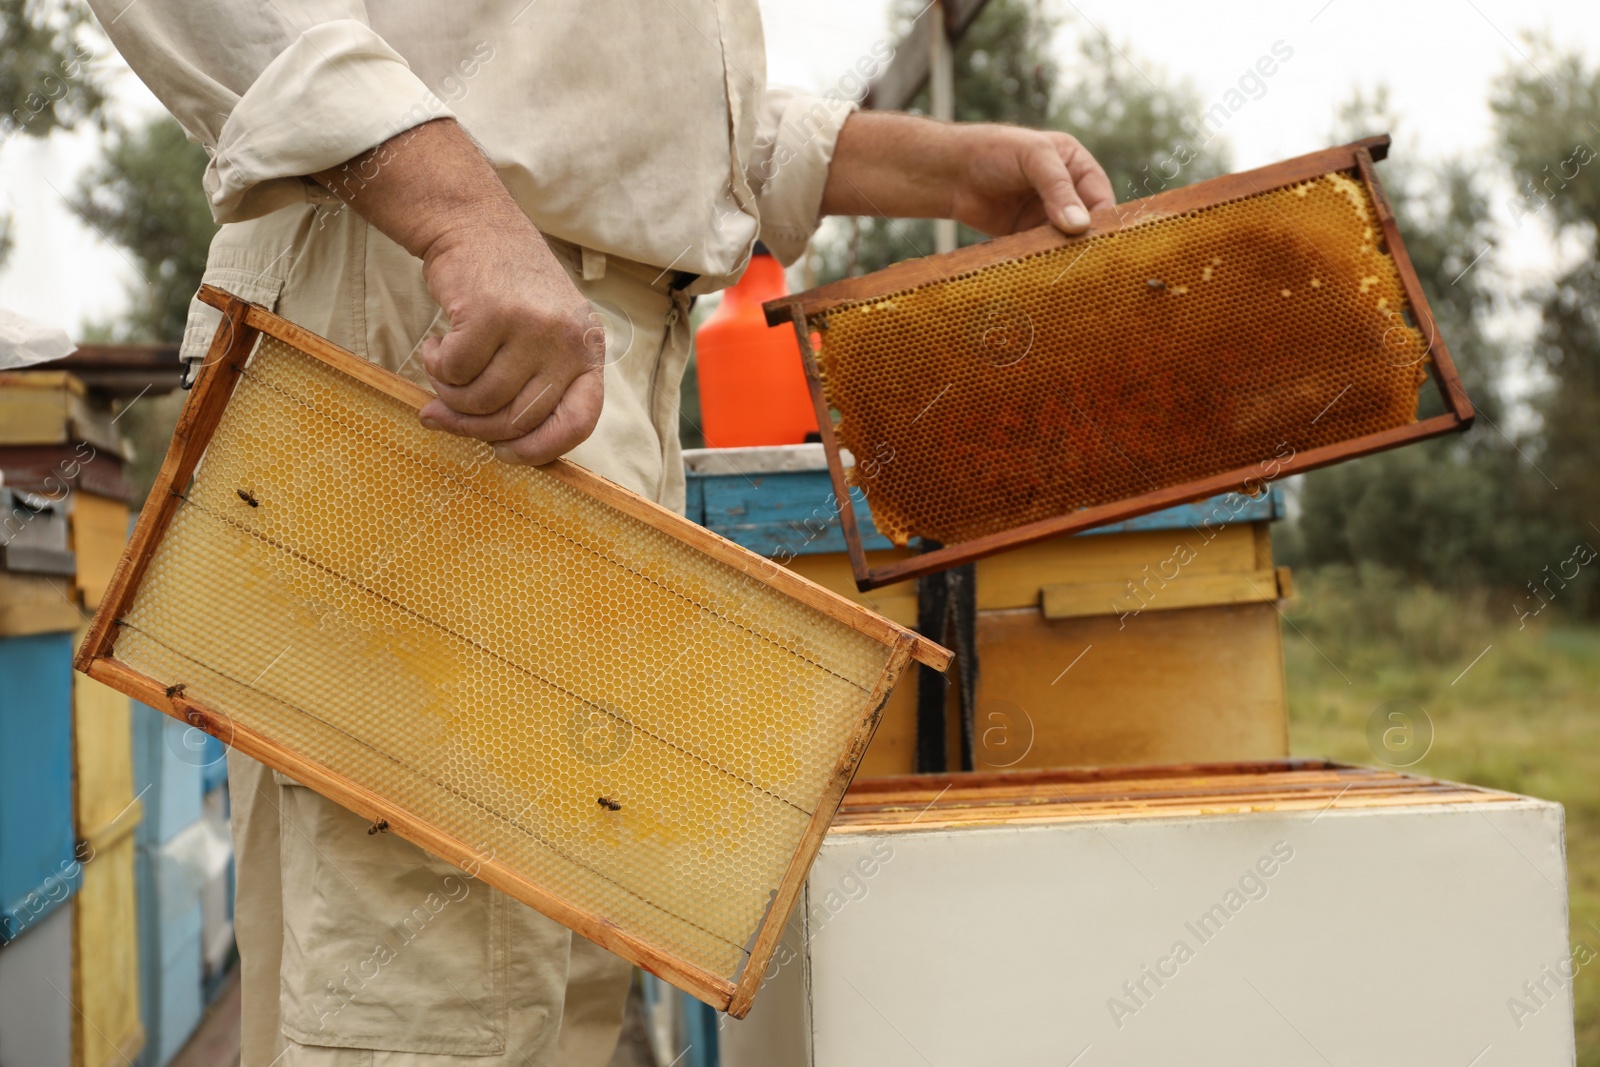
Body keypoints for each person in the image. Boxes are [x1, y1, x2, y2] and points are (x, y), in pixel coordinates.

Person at [88, 3, 1115, 1064]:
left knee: (550, 996)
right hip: (440, 330)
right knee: (443, 1007)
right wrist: (461, 220)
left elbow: (609, 101)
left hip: (566, 350)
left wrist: (931, 170)